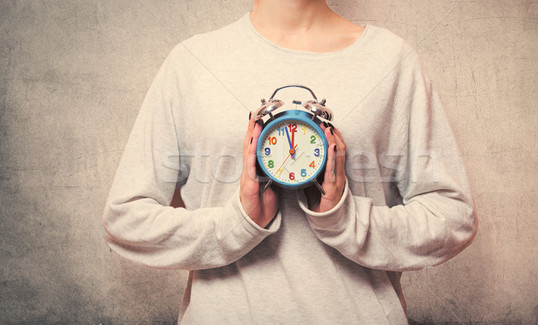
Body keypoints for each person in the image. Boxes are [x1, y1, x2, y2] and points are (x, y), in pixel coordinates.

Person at [102, 0, 478, 323]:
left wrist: (347, 220)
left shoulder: (392, 59)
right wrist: (237, 225)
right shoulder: (191, 62)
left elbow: (454, 216)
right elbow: (126, 219)